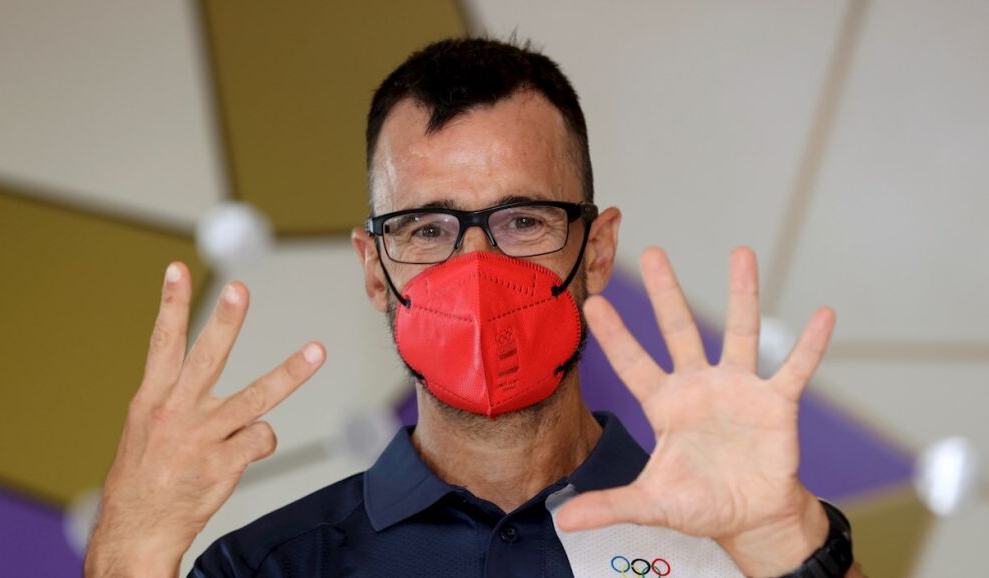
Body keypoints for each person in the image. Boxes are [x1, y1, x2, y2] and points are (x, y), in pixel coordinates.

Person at [84, 38, 863, 577]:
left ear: (596, 250)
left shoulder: (741, 536)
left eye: (522, 220)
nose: (477, 269)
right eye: (427, 228)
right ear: (375, 269)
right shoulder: (270, 568)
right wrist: (128, 554)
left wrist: (784, 540)